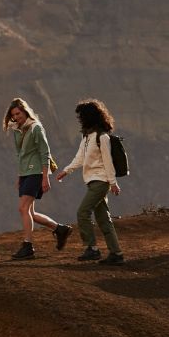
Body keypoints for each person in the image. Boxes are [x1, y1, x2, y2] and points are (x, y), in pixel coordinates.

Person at [54, 98, 125, 265]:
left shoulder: (103, 137)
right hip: (92, 182)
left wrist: (113, 183)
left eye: (82, 116)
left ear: (90, 116)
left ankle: (92, 249)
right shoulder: (87, 137)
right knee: (103, 219)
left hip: (101, 181)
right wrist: (66, 171)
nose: (80, 119)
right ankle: (117, 253)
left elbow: (108, 161)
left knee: (82, 212)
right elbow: (80, 158)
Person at [4, 97, 72, 260]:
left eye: (18, 113)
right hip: (26, 174)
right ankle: (60, 229)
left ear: (25, 111)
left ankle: (27, 246)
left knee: (23, 209)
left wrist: (45, 178)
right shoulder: (17, 130)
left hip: (36, 173)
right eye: (13, 115)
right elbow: (20, 155)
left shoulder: (36, 128)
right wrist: (20, 176)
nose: (16, 117)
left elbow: (45, 153)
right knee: (31, 213)